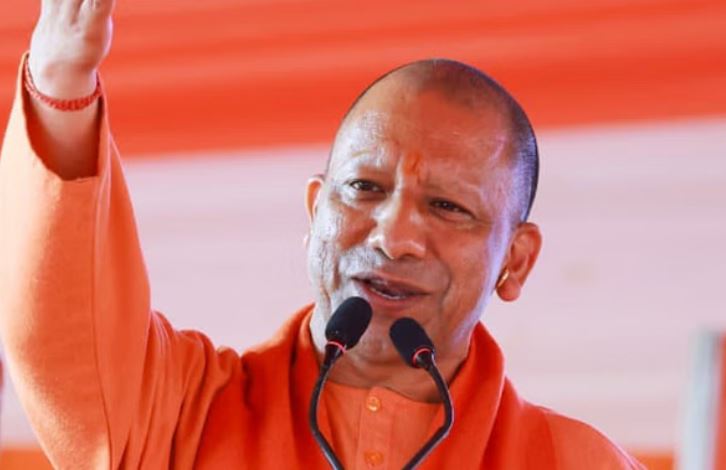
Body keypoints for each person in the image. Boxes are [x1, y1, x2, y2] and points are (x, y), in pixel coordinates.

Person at [0, 1, 644, 469]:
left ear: (515, 261)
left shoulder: (576, 461)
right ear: (315, 214)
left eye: (447, 207)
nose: (394, 236)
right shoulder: (180, 415)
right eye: (364, 188)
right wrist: (61, 86)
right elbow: (64, 332)